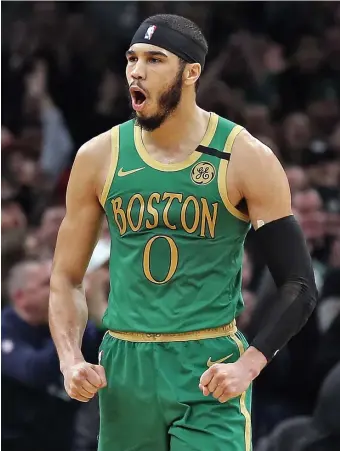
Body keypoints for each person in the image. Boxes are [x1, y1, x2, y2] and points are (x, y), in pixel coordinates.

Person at [49, 14, 318, 451]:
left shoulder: (244, 156)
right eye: (132, 58)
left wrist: (248, 365)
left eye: (155, 59)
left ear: (191, 72)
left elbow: (300, 285)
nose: (136, 70)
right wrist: (70, 359)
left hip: (209, 366)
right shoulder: (99, 156)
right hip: (125, 366)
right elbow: (65, 278)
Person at [2, 259, 102, 451]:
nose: (58, 291)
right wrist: (69, 327)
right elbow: (35, 371)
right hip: (16, 440)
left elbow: (101, 349)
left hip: (64, 438)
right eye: (46, 284)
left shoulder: (56, 325)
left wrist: (87, 310)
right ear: (20, 297)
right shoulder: (6, 329)